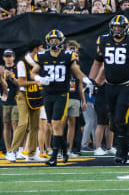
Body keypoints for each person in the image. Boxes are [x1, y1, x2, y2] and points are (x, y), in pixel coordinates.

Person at [90, 15, 129, 164]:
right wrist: (90, 81)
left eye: (119, 27)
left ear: (125, 28)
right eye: (115, 27)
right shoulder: (104, 40)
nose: (117, 29)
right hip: (110, 85)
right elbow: (98, 62)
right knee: (113, 122)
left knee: (121, 118)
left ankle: (122, 151)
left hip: (127, 85)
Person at [31, 30, 93, 166]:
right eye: (52, 40)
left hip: (62, 94)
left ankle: (54, 156)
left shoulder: (67, 56)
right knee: (51, 125)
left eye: (56, 40)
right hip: (47, 94)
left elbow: (77, 72)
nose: (54, 42)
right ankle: (64, 148)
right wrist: (39, 78)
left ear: (61, 41)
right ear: (48, 41)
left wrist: (87, 80)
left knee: (56, 123)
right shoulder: (41, 56)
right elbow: (33, 72)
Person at [7, 40, 45, 162]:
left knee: (35, 125)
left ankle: (32, 153)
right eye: (41, 48)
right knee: (23, 123)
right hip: (23, 94)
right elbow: (21, 82)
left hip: (36, 94)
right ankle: (12, 151)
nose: (43, 50)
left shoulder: (41, 61)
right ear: (35, 49)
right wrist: (37, 81)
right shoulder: (22, 63)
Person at [1, 49, 20, 160]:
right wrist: (1, 77)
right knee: (6, 124)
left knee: (15, 124)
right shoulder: (0, 69)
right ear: (3, 58)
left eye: (10, 56)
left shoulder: (17, 68)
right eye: (6, 56)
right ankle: (8, 149)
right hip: (5, 100)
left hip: (17, 99)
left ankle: (15, 148)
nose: (8, 58)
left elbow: (20, 84)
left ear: (13, 57)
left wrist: (11, 77)